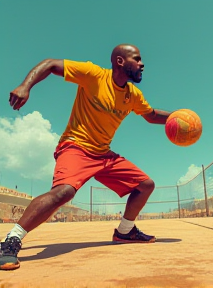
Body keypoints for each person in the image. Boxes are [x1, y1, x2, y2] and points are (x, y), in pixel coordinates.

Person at [0, 44, 172, 270]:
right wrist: (25, 85)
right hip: (76, 147)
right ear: (120, 61)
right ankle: (10, 241)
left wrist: (179, 117)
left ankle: (125, 231)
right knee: (64, 192)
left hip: (103, 154)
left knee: (145, 185)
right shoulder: (94, 75)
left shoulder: (133, 95)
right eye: (137, 59)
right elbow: (51, 64)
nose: (142, 64)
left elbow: (151, 116)